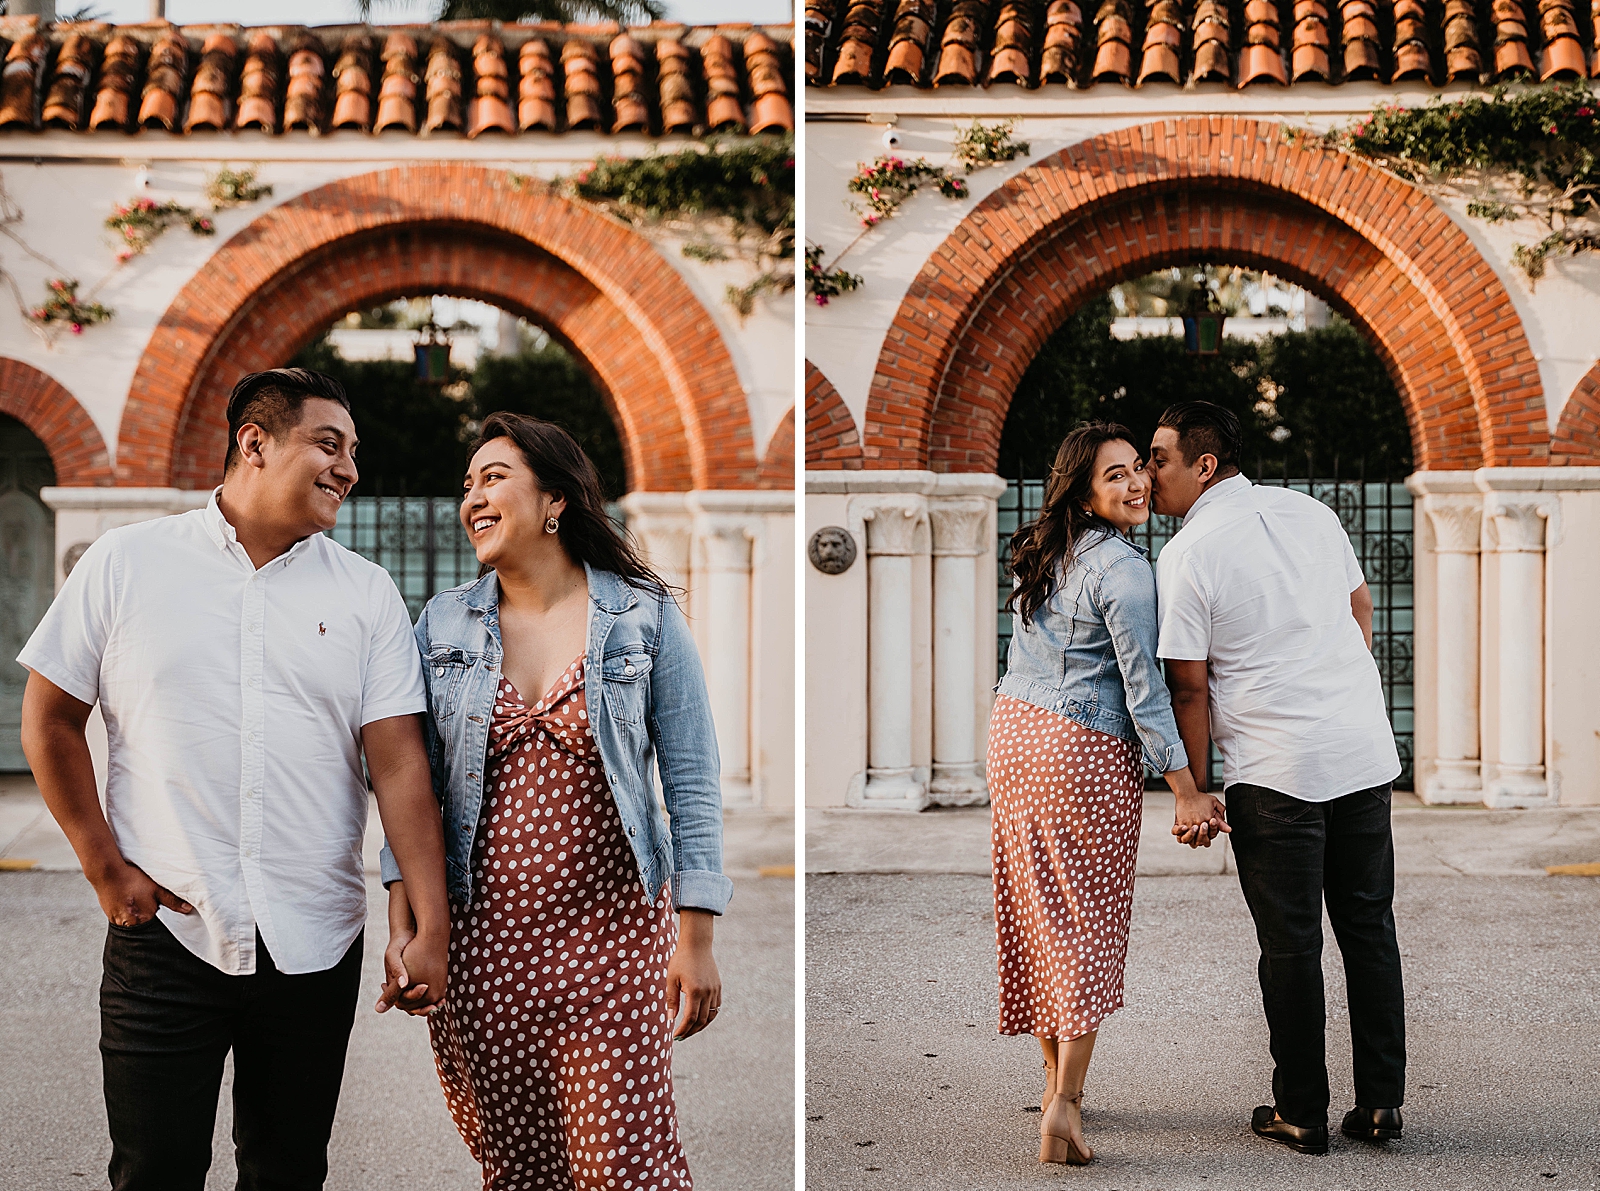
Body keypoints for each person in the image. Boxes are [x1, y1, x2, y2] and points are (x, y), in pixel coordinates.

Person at [18, 368, 450, 1191]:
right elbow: (49, 718)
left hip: (314, 943)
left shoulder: (366, 592)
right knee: (155, 1170)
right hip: (166, 934)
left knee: (288, 1173)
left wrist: (430, 921)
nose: (349, 468)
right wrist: (104, 867)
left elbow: (399, 766)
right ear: (253, 442)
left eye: (353, 452)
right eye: (329, 443)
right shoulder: (126, 562)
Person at [377, 411, 729, 1191]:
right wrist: (403, 925)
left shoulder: (643, 613)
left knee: (623, 1167)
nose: (472, 497)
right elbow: (412, 789)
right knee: (519, 1169)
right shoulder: (442, 622)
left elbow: (693, 778)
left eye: (493, 477)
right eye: (466, 484)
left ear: (556, 500)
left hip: (614, 939)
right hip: (484, 946)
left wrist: (695, 933)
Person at [1148, 400, 1406, 1156]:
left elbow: (1188, 687)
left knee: (1291, 945)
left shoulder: (1187, 555)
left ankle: (1303, 1110)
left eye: (1160, 458)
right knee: (1369, 928)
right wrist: (1334, 687)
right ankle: (1382, 1105)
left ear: (1203, 464)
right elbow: (1359, 611)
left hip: (1276, 768)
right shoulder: (1311, 512)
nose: (1150, 473)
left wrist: (1193, 789)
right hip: (1362, 752)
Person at [987, 422, 1228, 1167]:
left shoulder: (1046, 551)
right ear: (1085, 488)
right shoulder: (1125, 569)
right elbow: (1145, 690)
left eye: (1137, 471)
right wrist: (1187, 788)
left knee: (1036, 910)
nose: (1136, 484)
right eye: (1116, 475)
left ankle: (1061, 1079)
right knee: (1086, 921)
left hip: (1015, 734)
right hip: (1080, 749)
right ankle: (1063, 1106)